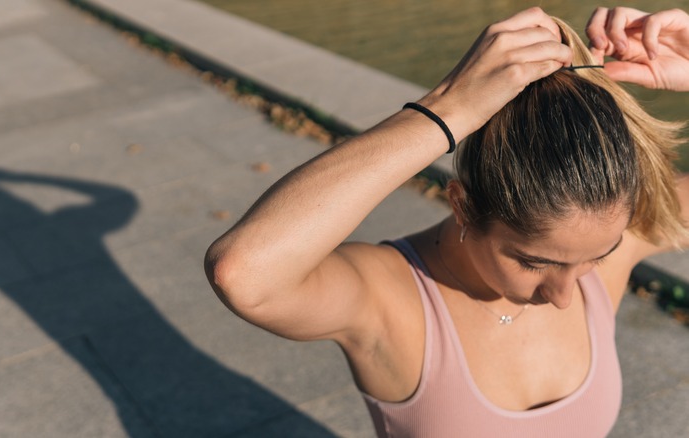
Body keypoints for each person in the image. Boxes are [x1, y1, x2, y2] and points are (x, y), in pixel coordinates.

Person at [205, 6, 689, 437]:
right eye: (532, 262)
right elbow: (246, 274)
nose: (565, 296)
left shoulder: (613, 246)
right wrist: (446, 110)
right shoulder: (388, 299)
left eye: (595, 257)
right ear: (461, 205)